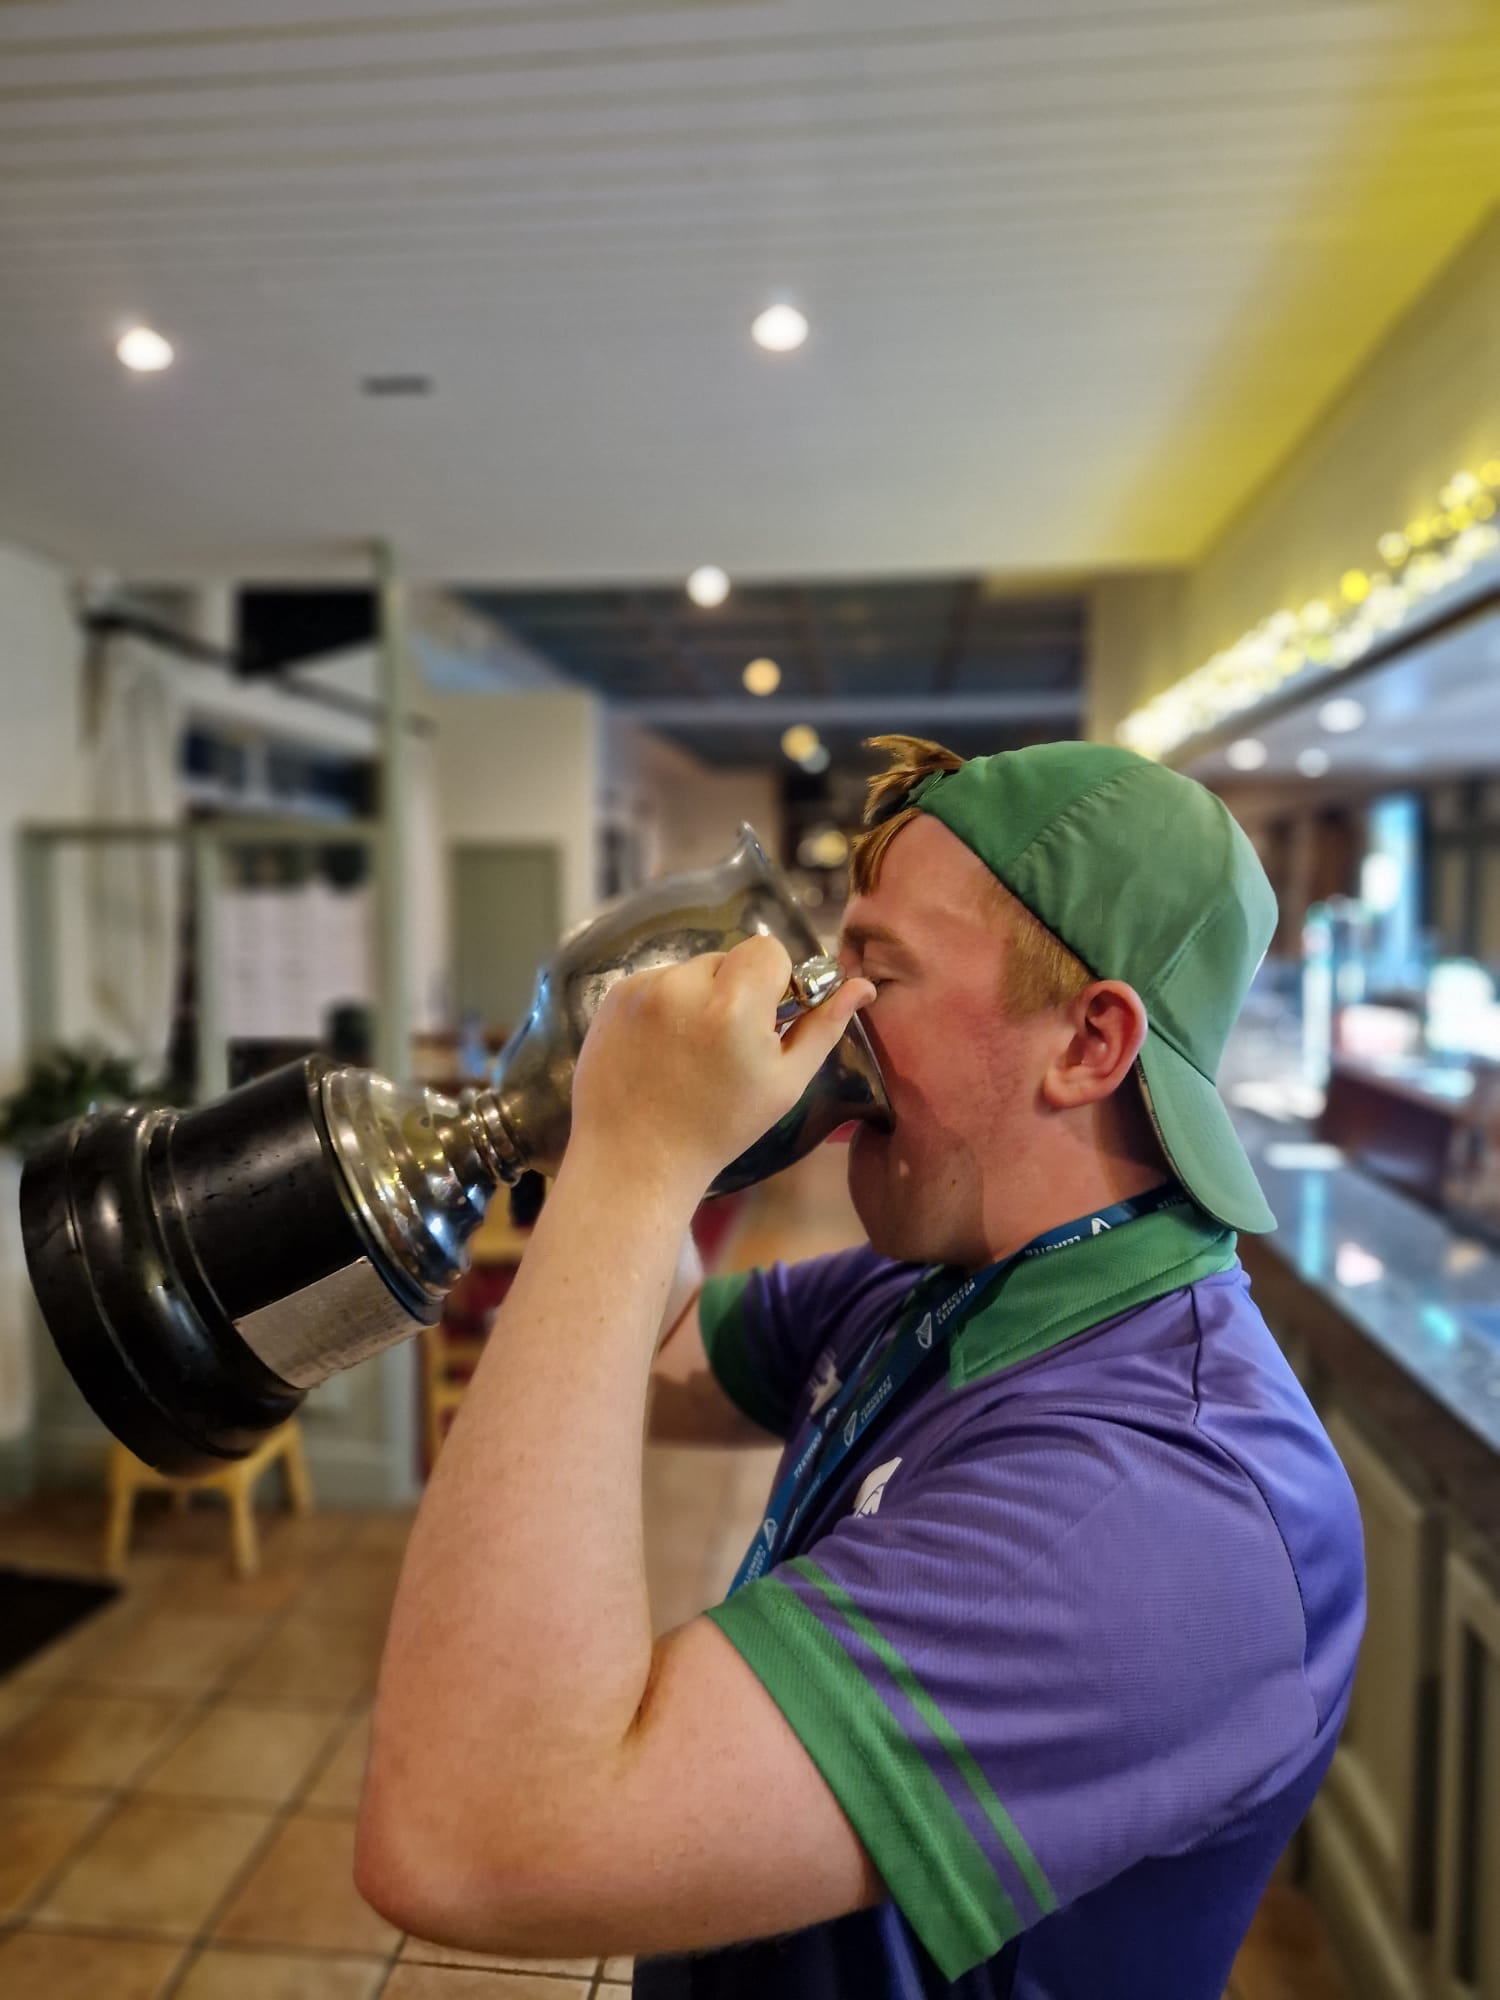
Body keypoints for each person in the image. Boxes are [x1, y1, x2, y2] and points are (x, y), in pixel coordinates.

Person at [356, 737, 1366, 1999]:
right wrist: (617, 1100)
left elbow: (472, 1833)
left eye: (876, 970)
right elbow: (658, 1346)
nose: (831, 1014)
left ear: (1091, 1043)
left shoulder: (1161, 1503)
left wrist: (630, 1170)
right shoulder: (969, 1274)